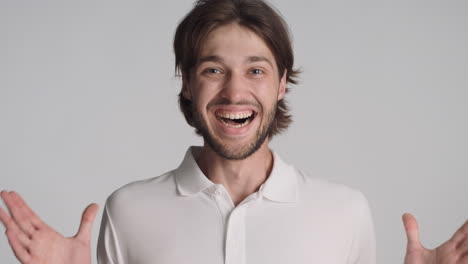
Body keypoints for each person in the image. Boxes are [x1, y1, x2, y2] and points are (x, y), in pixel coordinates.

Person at [1, 0, 467, 263]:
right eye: (213, 69)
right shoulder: (130, 210)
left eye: (256, 71)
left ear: (283, 83)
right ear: (186, 81)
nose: (234, 92)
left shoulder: (344, 211)